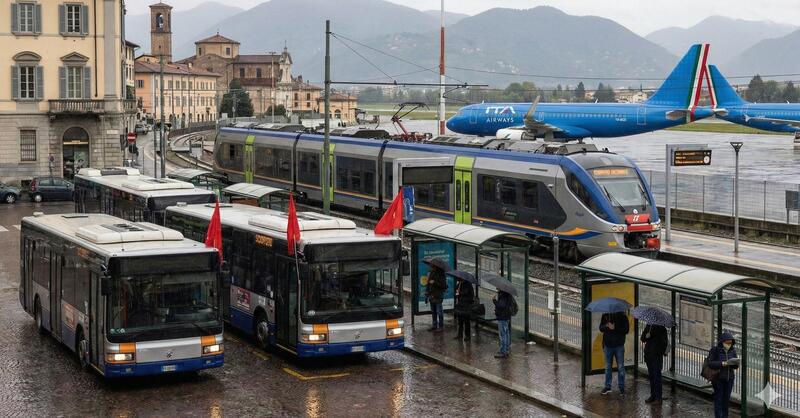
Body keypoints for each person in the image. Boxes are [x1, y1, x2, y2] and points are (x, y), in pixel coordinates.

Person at [708, 332, 739, 418]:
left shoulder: (733, 351)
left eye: (730, 343)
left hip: (729, 379)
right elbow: (710, 363)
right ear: (722, 342)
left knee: (726, 400)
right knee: (718, 399)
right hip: (718, 379)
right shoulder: (715, 350)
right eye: (727, 343)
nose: (729, 345)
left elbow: (735, 366)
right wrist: (722, 363)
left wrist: (735, 363)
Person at [599, 311, 630, 395]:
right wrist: (606, 326)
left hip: (619, 346)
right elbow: (601, 328)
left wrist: (615, 327)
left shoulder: (623, 316)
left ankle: (621, 387)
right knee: (608, 367)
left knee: (620, 367)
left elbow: (626, 330)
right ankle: (607, 386)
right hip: (608, 345)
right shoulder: (605, 315)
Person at [641, 324, 669, 403]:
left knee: (657, 376)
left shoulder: (662, 328)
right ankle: (653, 395)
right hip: (648, 355)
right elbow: (642, 338)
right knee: (651, 376)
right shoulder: (648, 326)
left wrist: (659, 352)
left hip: (656, 356)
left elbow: (664, 343)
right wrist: (646, 336)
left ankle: (658, 397)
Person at [425, 261, 447, 331]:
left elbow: (443, 285)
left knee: (439, 312)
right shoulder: (432, 273)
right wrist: (427, 293)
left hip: (438, 295)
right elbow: (428, 284)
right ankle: (434, 325)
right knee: (433, 312)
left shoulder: (441, 274)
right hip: (432, 295)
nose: (431, 267)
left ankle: (441, 326)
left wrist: (434, 282)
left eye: (433, 266)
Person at [492, 290, 515, 358]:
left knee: (502, 335)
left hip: (502, 318)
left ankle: (503, 351)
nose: (496, 288)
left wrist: (494, 300)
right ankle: (506, 349)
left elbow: (501, 306)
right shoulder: (506, 294)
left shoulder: (503, 295)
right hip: (506, 317)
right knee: (506, 333)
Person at [453, 277, 475, 341]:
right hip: (460, 305)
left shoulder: (468, 284)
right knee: (460, 321)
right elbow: (456, 291)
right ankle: (460, 335)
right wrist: (457, 292)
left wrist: (459, 293)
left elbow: (468, 294)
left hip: (466, 305)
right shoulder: (459, 284)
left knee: (466, 321)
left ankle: (467, 336)